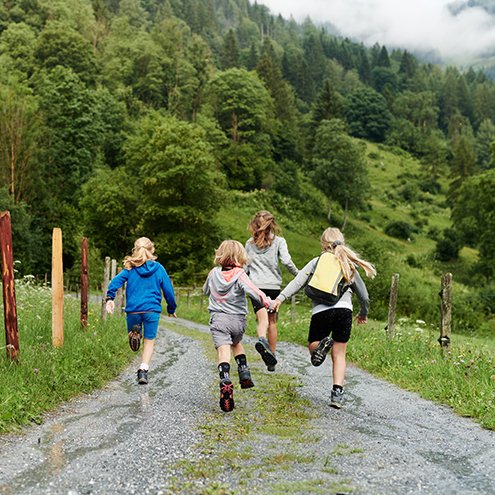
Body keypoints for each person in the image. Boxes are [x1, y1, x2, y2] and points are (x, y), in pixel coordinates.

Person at [270, 228, 376, 409]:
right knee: (340, 354)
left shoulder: (317, 261)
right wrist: (363, 313)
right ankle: (337, 393)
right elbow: (364, 296)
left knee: (313, 345)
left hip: (321, 311)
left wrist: (280, 298)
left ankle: (321, 345)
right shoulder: (348, 264)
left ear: (323, 244)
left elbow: (298, 282)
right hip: (344, 311)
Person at [204, 240, 272, 412]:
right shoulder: (240, 274)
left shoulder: (213, 273)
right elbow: (253, 291)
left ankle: (225, 379)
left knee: (223, 351)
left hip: (219, 319)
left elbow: (205, 291)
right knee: (236, 343)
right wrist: (267, 302)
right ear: (240, 256)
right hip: (237, 320)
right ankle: (243, 370)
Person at [105, 237, 177, 385]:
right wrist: (171, 308)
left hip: (133, 310)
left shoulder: (130, 268)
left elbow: (115, 282)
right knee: (149, 342)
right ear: (152, 250)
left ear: (135, 250)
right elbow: (168, 291)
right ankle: (143, 370)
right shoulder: (159, 268)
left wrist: (110, 298)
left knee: (134, 336)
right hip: (152, 310)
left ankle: (134, 333)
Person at [245, 210, 298, 372]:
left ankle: (262, 339)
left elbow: (245, 267)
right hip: (273, 286)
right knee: (272, 321)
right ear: (272, 224)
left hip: (255, 287)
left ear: (254, 225)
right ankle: (272, 358)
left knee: (262, 320)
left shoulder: (249, 244)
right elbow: (287, 261)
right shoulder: (279, 242)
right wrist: (299, 275)